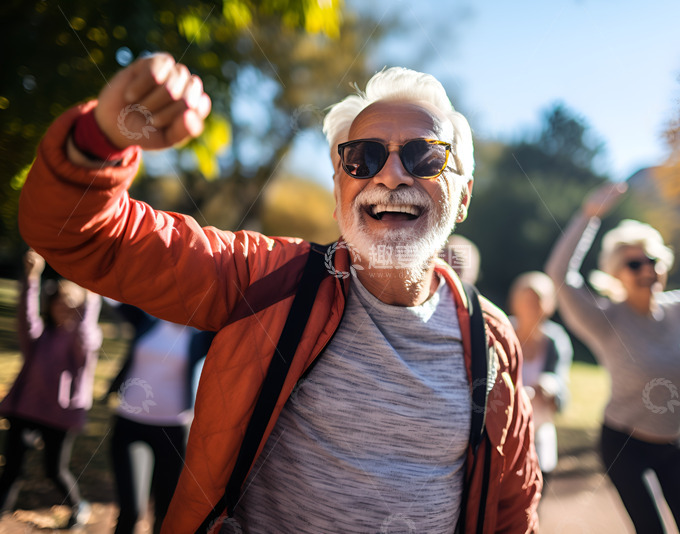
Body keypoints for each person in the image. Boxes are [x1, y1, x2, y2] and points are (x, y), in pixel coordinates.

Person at [18, 53, 541, 533]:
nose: (390, 174)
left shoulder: (491, 338)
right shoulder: (264, 280)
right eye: (362, 156)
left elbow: (512, 506)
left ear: (464, 194)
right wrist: (100, 137)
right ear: (339, 192)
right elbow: (80, 235)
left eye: (425, 156)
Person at [545, 183, 680, 534]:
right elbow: (559, 277)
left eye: (653, 261)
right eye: (634, 263)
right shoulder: (604, 320)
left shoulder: (679, 312)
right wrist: (588, 217)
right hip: (625, 446)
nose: (646, 269)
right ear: (616, 273)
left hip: (675, 445)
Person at [0, 250, 101, 527]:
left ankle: (78, 505)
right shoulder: (41, 335)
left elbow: (86, 334)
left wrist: (91, 297)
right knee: (12, 469)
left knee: (54, 470)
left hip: (60, 415)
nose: (63, 307)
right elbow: (25, 315)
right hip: (25, 408)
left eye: (71, 303)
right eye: (59, 301)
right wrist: (32, 277)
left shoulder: (83, 339)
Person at [104, 302, 214, 534]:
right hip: (129, 426)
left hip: (173, 432)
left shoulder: (201, 336)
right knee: (131, 510)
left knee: (165, 515)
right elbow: (112, 293)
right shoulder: (147, 320)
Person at [508, 271, 573, 488]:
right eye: (526, 300)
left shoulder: (556, 340)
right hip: (505, 433)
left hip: (539, 431)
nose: (531, 307)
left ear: (549, 305)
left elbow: (561, 386)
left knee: (535, 495)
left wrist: (550, 385)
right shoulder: (503, 331)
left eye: (537, 301)